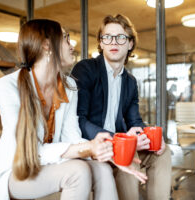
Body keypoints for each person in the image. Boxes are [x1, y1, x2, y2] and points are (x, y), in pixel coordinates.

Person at [0, 19, 146, 200]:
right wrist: (89, 147)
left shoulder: (69, 86)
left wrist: (107, 154)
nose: (71, 45)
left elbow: (71, 136)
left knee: (102, 169)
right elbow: (30, 150)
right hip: (15, 171)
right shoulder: (7, 86)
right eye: (66, 39)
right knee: (78, 171)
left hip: (49, 165)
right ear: (47, 45)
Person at [72, 14, 172, 200]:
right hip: (93, 146)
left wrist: (149, 138)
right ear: (101, 44)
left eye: (120, 37)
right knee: (127, 152)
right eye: (107, 37)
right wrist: (118, 139)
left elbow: (134, 121)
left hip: (120, 144)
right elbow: (79, 120)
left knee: (163, 152)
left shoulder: (130, 82)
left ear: (130, 44)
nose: (113, 42)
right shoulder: (86, 69)